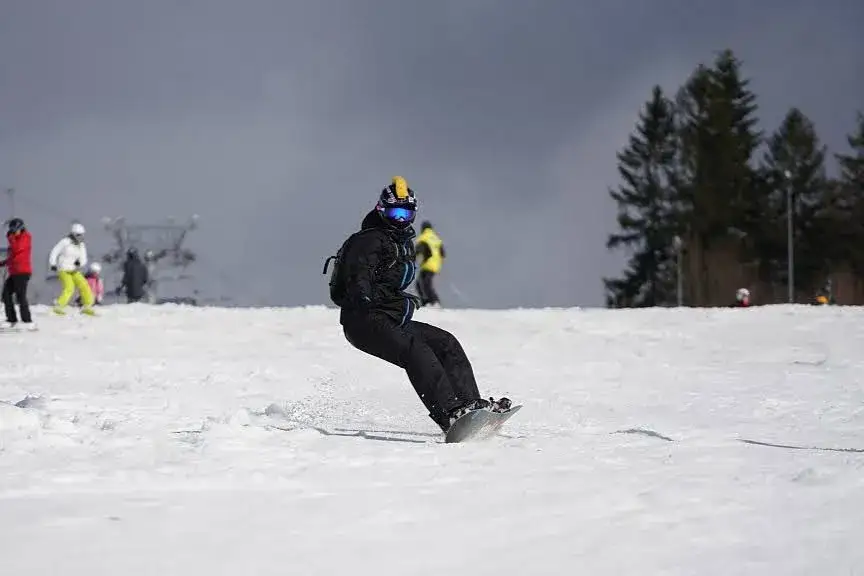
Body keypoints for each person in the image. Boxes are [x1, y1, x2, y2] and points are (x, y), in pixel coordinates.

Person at [328, 176, 511, 433]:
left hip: (388, 317)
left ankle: (472, 407)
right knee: (417, 350)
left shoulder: (397, 242)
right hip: (363, 319)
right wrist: (365, 298)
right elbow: (359, 275)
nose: (400, 219)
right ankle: (450, 414)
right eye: (394, 212)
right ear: (381, 210)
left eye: (405, 212)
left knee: (445, 342)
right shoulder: (369, 240)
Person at [48, 222, 95, 316]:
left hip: (74, 269)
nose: (80, 237)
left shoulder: (81, 245)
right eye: (78, 235)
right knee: (69, 287)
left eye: (81, 235)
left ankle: (87, 306)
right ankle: (59, 305)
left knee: (84, 285)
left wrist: (80, 263)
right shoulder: (65, 242)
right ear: (73, 234)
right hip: (63, 269)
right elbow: (54, 251)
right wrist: (52, 263)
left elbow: (84, 258)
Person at [0, 218, 35, 329]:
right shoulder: (15, 239)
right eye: (12, 230)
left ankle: (27, 321)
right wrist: (3, 263)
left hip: (22, 272)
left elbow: (17, 249)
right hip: (14, 272)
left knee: (20, 296)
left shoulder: (26, 237)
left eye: (15, 230)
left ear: (20, 228)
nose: (14, 232)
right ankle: (11, 319)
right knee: (6, 294)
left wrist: (11, 237)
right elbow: (13, 256)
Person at [414, 220, 445, 307]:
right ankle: (430, 302)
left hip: (427, 264)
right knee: (425, 283)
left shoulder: (424, 237)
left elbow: (419, 250)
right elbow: (443, 253)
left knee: (422, 284)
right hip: (436, 265)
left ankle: (432, 302)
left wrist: (413, 258)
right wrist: (438, 262)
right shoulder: (436, 239)